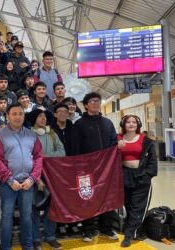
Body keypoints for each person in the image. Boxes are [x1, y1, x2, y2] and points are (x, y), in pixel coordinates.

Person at [0, 104, 43, 250]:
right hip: (8, 184)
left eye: (21, 114)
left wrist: (32, 178)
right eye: (14, 114)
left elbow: (39, 157)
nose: (18, 117)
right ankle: (5, 247)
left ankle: (27, 245)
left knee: (26, 216)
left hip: (28, 183)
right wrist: (9, 180)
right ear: (7, 116)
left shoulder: (32, 135)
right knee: (7, 217)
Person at [72, 92, 118, 242]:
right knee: (87, 198)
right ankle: (88, 230)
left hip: (106, 170)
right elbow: (76, 148)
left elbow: (113, 143)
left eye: (97, 101)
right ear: (85, 105)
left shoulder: (107, 123)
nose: (95, 103)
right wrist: (80, 168)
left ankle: (106, 228)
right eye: (91, 101)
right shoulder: (79, 124)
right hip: (86, 170)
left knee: (106, 198)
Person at [117, 115, 157, 247]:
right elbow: (108, 156)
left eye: (134, 122)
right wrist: (116, 148)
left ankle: (129, 235)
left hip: (140, 176)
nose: (131, 124)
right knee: (127, 205)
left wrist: (147, 175)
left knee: (137, 206)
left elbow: (152, 161)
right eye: (128, 122)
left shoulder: (146, 140)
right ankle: (133, 228)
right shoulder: (117, 139)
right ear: (123, 124)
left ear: (138, 125)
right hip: (124, 176)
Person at [29, 109, 65, 250]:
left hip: (52, 176)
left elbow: (62, 152)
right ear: (34, 119)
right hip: (35, 176)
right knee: (35, 207)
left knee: (52, 207)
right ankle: (36, 238)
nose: (43, 118)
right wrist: (37, 178)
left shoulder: (52, 134)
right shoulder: (29, 135)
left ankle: (50, 236)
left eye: (44, 116)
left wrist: (43, 156)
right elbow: (28, 157)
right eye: (39, 116)